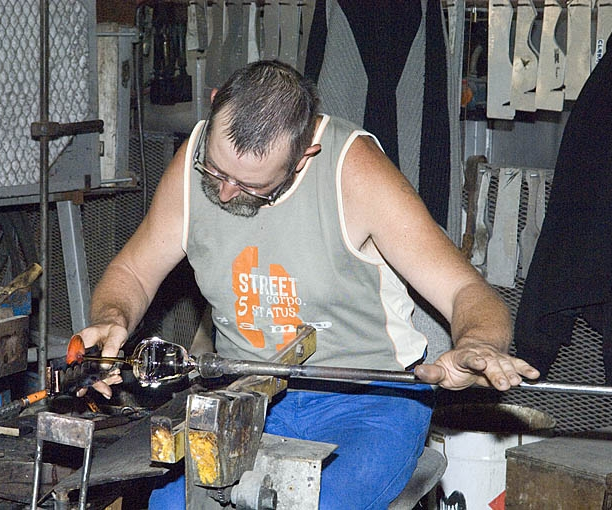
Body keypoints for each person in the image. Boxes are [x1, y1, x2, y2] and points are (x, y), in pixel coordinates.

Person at [75, 60, 539, 509]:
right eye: (216, 172)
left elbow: (467, 292)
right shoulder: (195, 158)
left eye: (252, 186)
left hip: (366, 403)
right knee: (173, 503)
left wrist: (478, 342)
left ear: (304, 156)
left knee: (322, 503)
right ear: (214, 105)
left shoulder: (355, 172)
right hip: (246, 396)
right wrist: (112, 321)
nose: (224, 193)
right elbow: (132, 273)